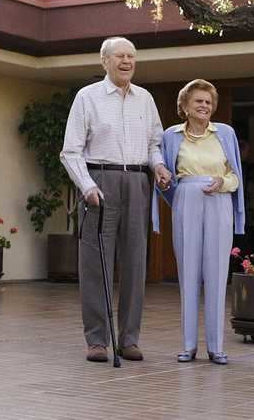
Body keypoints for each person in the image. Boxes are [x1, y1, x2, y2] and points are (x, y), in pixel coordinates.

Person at [60, 36, 172, 363]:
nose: (126, 62)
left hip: (137, 181)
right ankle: (97, 340)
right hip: (101, 181)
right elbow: (71, 151)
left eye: (131, 57)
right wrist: (86, 185)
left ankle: (129, 339)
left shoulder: (145, 99)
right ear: (104, 61)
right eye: (120, 56)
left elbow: (154, 144)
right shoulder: (88, 97)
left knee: (136, 262)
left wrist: (159, 166)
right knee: (96, 264)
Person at [154, 79, 244, 365]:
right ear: (185, 106)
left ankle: (216, 347)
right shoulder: (171, 135)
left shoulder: (225, 134)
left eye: (208, 101)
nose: (204, 106)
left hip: (219, 198)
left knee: (217, 273)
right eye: (198, 101)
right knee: (188, 271)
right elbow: (163, 170)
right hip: (186, 197)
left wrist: (222, 182)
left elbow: (236, 176)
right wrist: (167, 181)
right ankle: (188, 345)